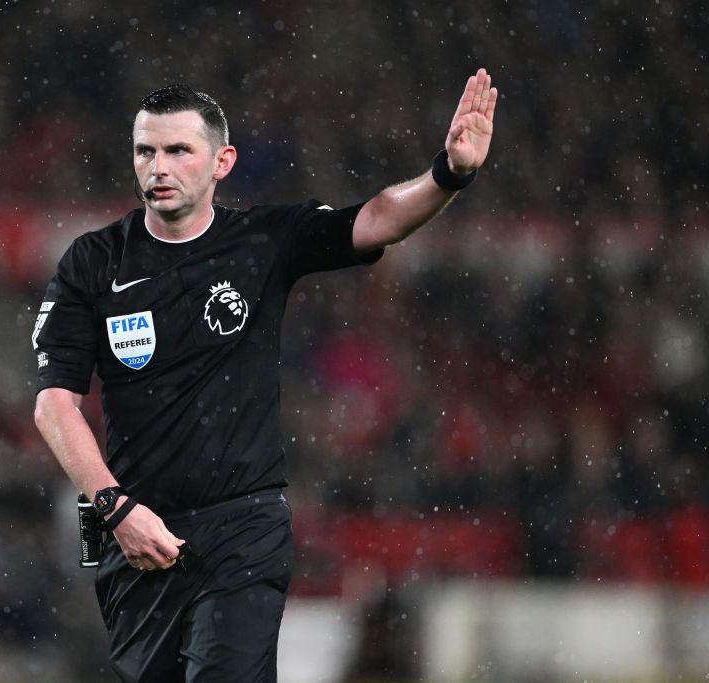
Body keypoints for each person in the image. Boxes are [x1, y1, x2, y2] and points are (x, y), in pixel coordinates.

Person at [33, 69, 497, 683]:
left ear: (222, 161)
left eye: (178, 150)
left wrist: (449, 173)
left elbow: (379, 217)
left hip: (243, 526)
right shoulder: (95, 262)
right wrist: (116, 508)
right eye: (146, 151)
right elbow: (54, 406)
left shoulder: (262, 241)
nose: (159, 167)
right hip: (137, 533)